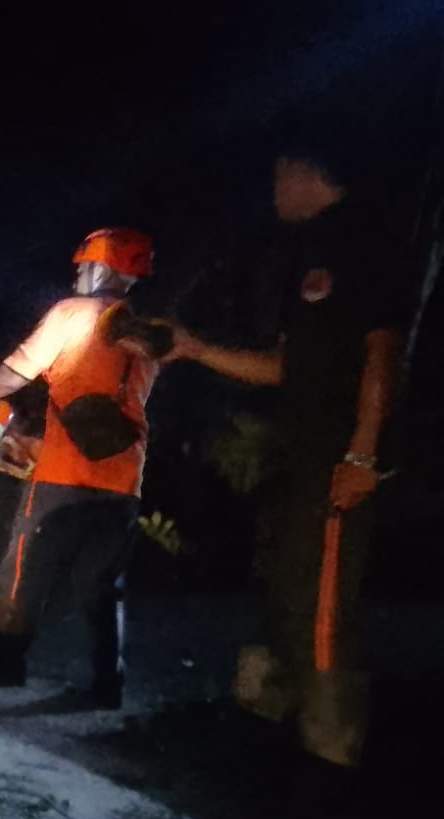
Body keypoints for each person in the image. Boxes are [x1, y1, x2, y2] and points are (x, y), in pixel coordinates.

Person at [163, 143, 408, 766]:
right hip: (296, 457)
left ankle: (331, 749)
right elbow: (284, 367)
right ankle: (273, 738)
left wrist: (362, 456)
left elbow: (382, 356)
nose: (273, 189)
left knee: (321, 605)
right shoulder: (307, 252)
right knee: (284, 586)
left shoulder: (362, 243)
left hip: (335, 457)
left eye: (279, 173)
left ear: (307, 170)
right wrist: (195, 349)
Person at [0, 228, 160, 709]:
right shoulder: (145, 333)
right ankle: (108, 684)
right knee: (104, 582)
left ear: (100, 269)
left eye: (83, 267)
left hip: (64, 476)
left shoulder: (71, 314)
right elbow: (105, 399)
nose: (77, 275)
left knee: (23, 569)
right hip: (124, 477)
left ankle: (6, 661)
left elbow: (12, 375)